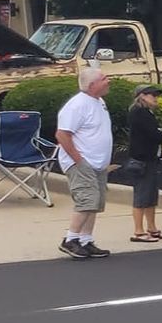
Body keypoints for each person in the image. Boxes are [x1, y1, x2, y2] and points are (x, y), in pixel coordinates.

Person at [53, 67, 114, 258]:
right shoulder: (77, 105)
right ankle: (70, 240)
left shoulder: (99, 101)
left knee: (94, 203)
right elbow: (62, 134)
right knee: (87, 201)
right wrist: (79, 160)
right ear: (92, 85)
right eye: (104, 78)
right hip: (81, 163)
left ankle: (85, 240)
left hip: (97, 163)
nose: (109, 81)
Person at [125, 85, 162, 242]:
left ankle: (152, 228)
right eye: (153, 95)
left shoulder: (147, 112)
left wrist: (160, 132)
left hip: (151, 158)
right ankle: (138, 231)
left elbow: (158, 133)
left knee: (151, 195)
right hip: (142, 160)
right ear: (142, 96)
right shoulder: (139, 112)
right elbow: (156, 134)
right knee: (142, 195)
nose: (156, 98)